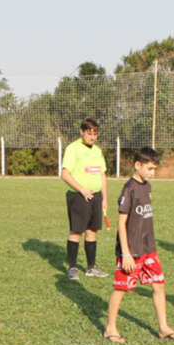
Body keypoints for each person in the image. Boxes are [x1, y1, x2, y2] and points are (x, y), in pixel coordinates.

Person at [102, 147, 174, 344]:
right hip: (132, 250)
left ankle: (163, 327)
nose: (152, 173)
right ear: (137, 165)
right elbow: (122, 223)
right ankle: (110, 328)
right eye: (149, 168)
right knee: (121, 288)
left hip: (149, 248)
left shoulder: (147, 187)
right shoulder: (128, 189)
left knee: (159, 284)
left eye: (154, 169)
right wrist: (126, 254)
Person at [61, 118, 109, 280]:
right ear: (82, 132)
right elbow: (65, 174)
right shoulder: (73, 149)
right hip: (78, 196)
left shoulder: (97, 151)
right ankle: (72, 268)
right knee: (77, 231)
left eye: (95, 134)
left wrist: (104, 198)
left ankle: (91, 267)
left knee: (92, 231)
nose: (92, 137)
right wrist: (81, 190)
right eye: (89, 134)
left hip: (96, 196)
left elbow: (102, 174)